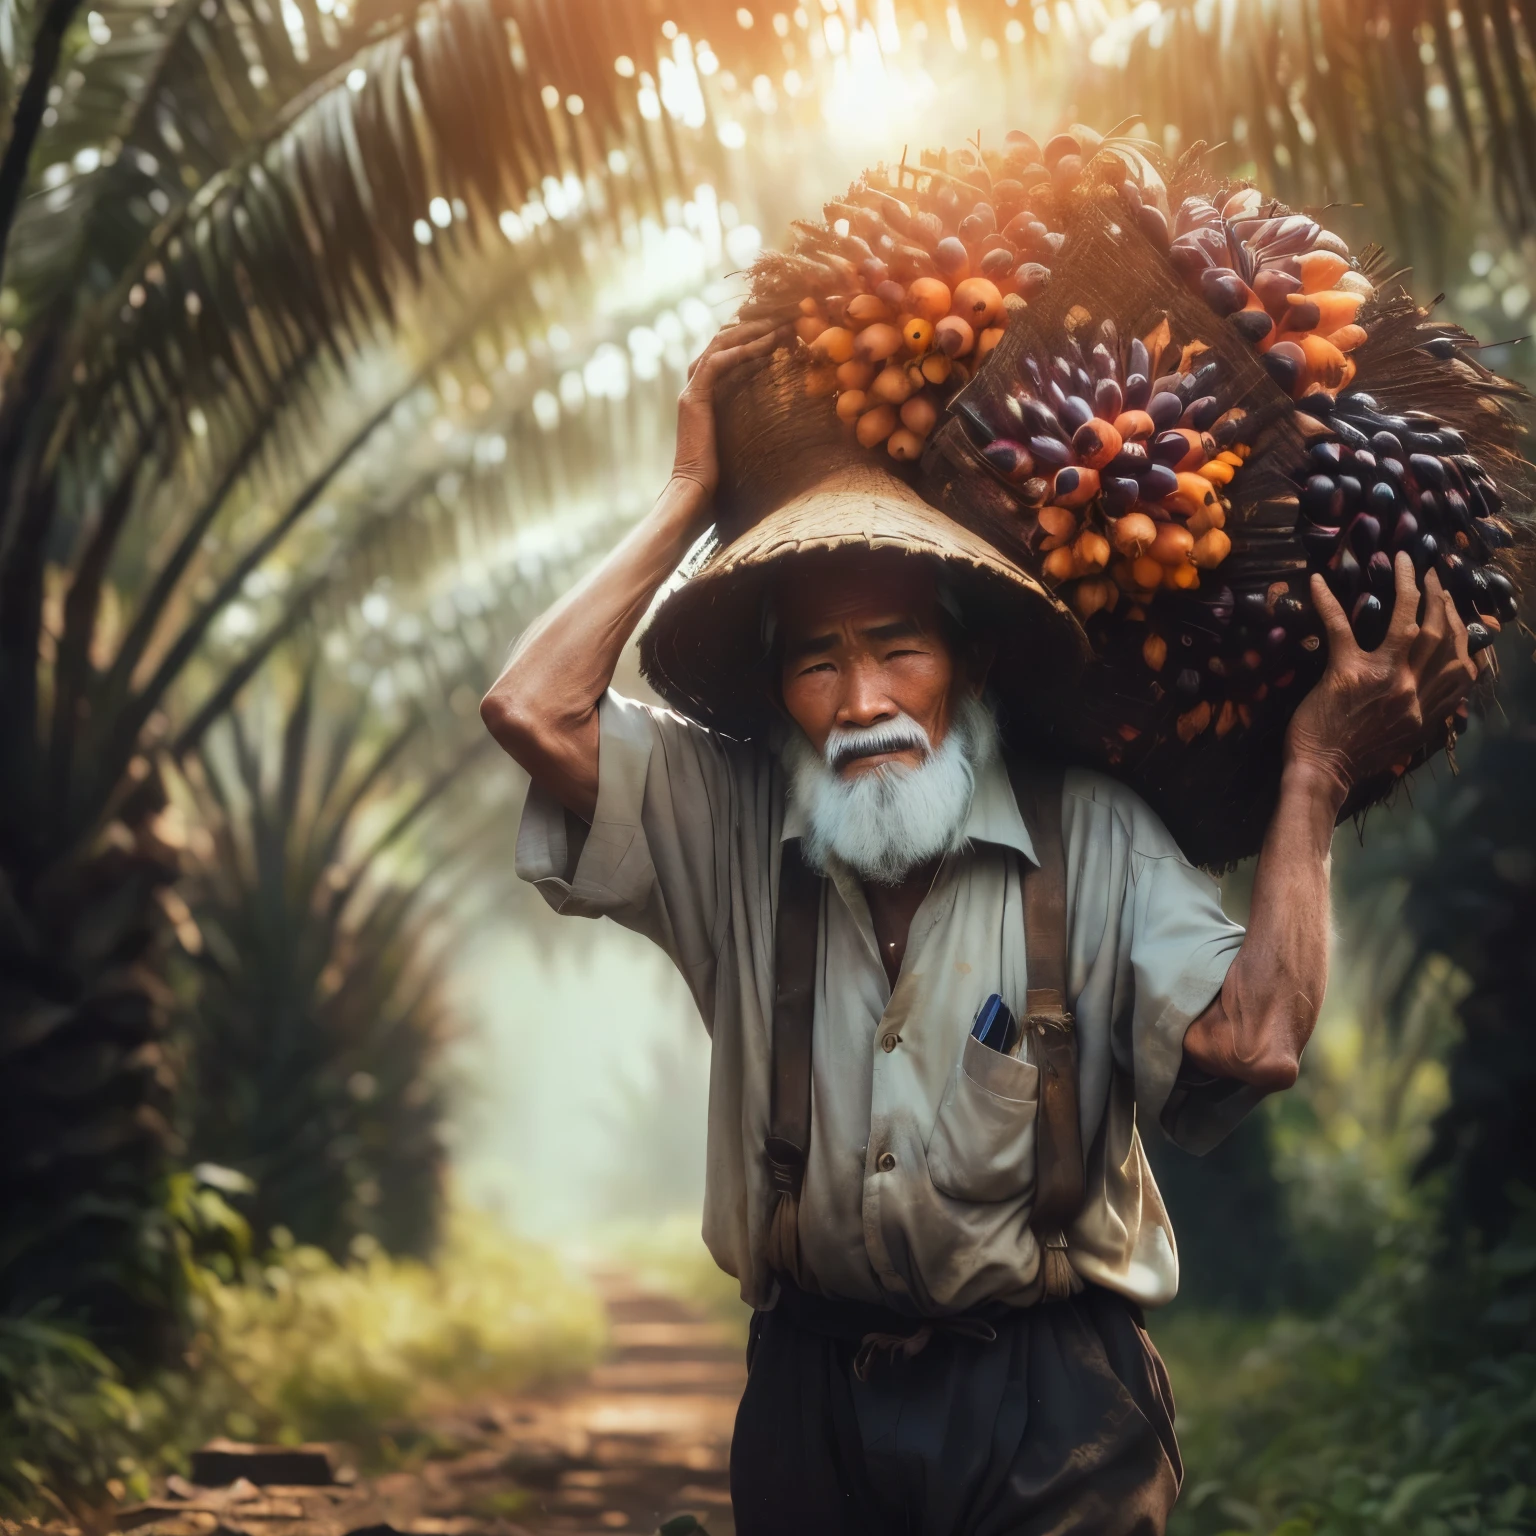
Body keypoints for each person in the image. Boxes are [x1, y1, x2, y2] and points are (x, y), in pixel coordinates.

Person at [481, 320, 1480, 1535]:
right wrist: (692, 493)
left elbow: (1256, 1041)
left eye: (897, 648)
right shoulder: (733, 822)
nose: (861, 703)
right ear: (778, 691)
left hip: (1054, 1404)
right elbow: (533, 708)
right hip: (809, 1399)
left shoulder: (1092, 839)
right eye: (819, 663)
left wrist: (1315, 772)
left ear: (969, 662)